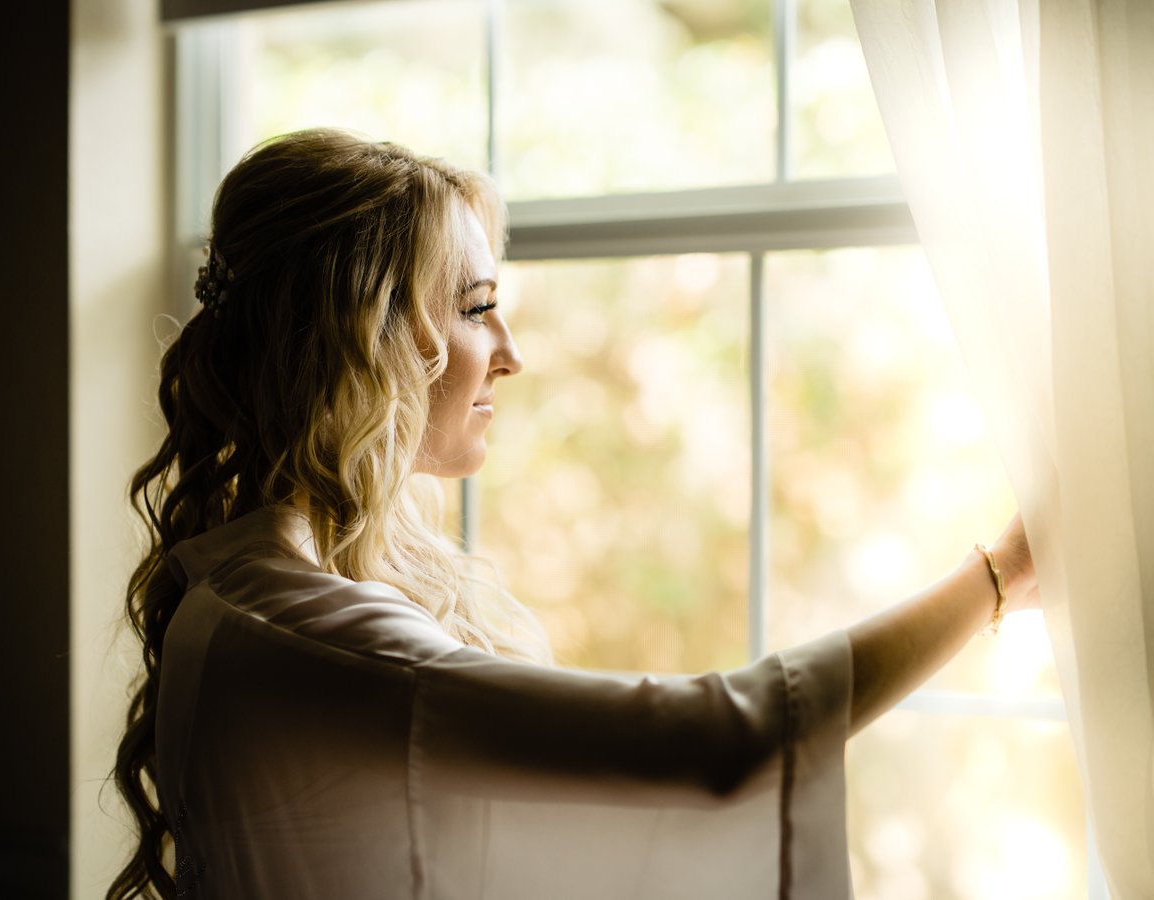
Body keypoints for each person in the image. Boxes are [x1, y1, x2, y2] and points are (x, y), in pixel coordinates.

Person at [108, 128, 1040, 900]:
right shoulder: (308, 633)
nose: (509, 354)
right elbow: (723, 738)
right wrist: (1001, 574)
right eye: (475, 310)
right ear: (370, 339)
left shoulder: (259, 587)